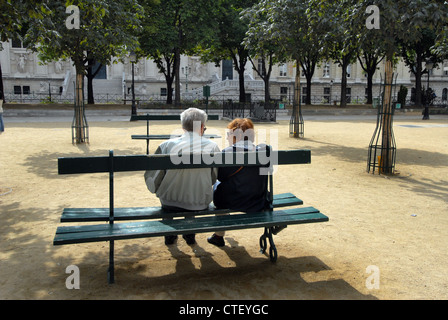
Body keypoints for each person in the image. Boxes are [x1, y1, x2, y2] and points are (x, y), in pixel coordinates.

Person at [144, 108, 220, 245]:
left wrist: (156, 190)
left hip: (169, 201)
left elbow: (154, 176)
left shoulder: (166, 145)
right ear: (202, 127)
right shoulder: (213, 146)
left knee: (171, 192)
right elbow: (214, 177)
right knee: (192, 191)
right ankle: (190, 233)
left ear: (182, 126)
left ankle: (170, 234)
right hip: (199, 201)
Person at [207, 118, 269, 247]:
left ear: (237, 136)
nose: (227, 137)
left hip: (233, 201)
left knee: (218, 187)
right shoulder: (264, 151)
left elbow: (221, 177)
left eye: (229, 134)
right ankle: (218, 235)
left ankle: (218, 235)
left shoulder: (228, 152)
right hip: (257, 199)